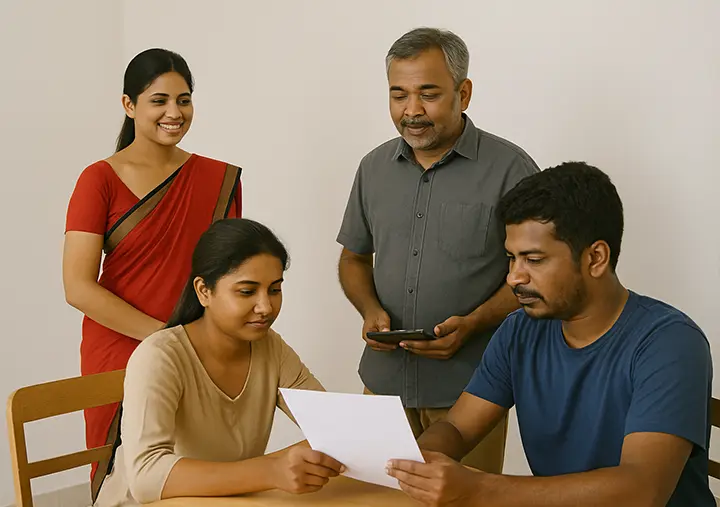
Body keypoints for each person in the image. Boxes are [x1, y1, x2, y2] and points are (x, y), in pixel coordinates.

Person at [386, 162, 715, 507]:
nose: (514, 277)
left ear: (596, 258)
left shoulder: (670, 343)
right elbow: (457, 428)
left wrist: (478, 488)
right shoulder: (519, 331)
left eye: (534, 259)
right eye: (511, 258)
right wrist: (408, 464)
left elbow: (641, 490)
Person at [336, 27, 539, 473]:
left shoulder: (512, 169)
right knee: (372, 500)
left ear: (463, 93)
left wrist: (473, 324)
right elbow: (353, 258)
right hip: (383, 386)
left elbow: (535, 273)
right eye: (398, 95)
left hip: (472, 392)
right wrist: (369, 310)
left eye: (428, 94)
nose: (411, 111)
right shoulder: (372, 168)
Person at [62, 48, 243, 497]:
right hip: (119, 349)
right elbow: (77, 286)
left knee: (197, 477)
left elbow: (227, 276)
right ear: (129, 105)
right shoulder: (99, 179)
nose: (174, 112)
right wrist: (162, 337)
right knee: (123, 483)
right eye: (159, 100)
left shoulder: (218, 179)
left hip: (196, 352)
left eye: (184, 100)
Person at [94, 218, 344, 506]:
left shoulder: (270, 347)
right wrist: (271, 470)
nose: (265, 307)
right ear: (204, 291)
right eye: (247, 291)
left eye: (274, 290)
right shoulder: (160, 356)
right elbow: (147, 477)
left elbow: (333, 427)